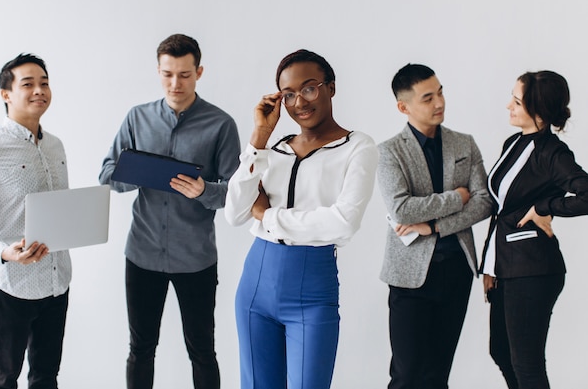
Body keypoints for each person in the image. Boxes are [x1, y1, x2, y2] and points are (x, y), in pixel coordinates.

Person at [225, 49, 379, 389]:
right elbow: (234, 212)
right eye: (289, 95)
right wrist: (259, 138)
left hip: (312, 289)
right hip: (256, 283)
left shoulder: (358, 148)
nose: (299, 102)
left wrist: (267, 215)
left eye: (309, 89)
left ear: (331, 88)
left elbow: (343, 220)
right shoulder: (274, 149)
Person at [99, 34, 240, 389]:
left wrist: (204, 190)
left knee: (202, 352)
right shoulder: (137, 117)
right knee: (141, 349)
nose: (175, 84)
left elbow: (238, 193)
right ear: (158, 72)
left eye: (184, 75)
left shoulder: (221, 124)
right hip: (142, 255)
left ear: (199, 72)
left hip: (196, 259)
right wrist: (135, 175)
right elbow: (106, 174)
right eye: (167, 74)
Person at [376, 63, 492, 389]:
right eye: (428, 98)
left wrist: (436, 226)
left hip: (456, 270)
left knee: (438, 376)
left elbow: (483, 202)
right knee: (406, 376)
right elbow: (402, 208)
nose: (439, 103)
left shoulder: (464, 144)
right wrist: (456, 197)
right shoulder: (389, 152)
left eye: (440, 92)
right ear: (404, 107)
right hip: (409, 277)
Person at [0, 53, 71, 389]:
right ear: (5, 94)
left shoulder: (55, 146)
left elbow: (60, 210)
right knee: (2, 380)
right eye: (28, 84)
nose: (40, 90)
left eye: (44, 83)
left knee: (46, 377)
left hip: (56, 281)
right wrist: (5, 252)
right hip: (10, 285)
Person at [481, 71, 588, 389]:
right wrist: (490, 266)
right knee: (500, 351)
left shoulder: (551, 153)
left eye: (516, 101)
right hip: (507, 267)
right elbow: (501, 209)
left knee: (526, 364)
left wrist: (546, 207)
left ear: (539, 111)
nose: (508, 106)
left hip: (533, 270)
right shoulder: (513, 142)